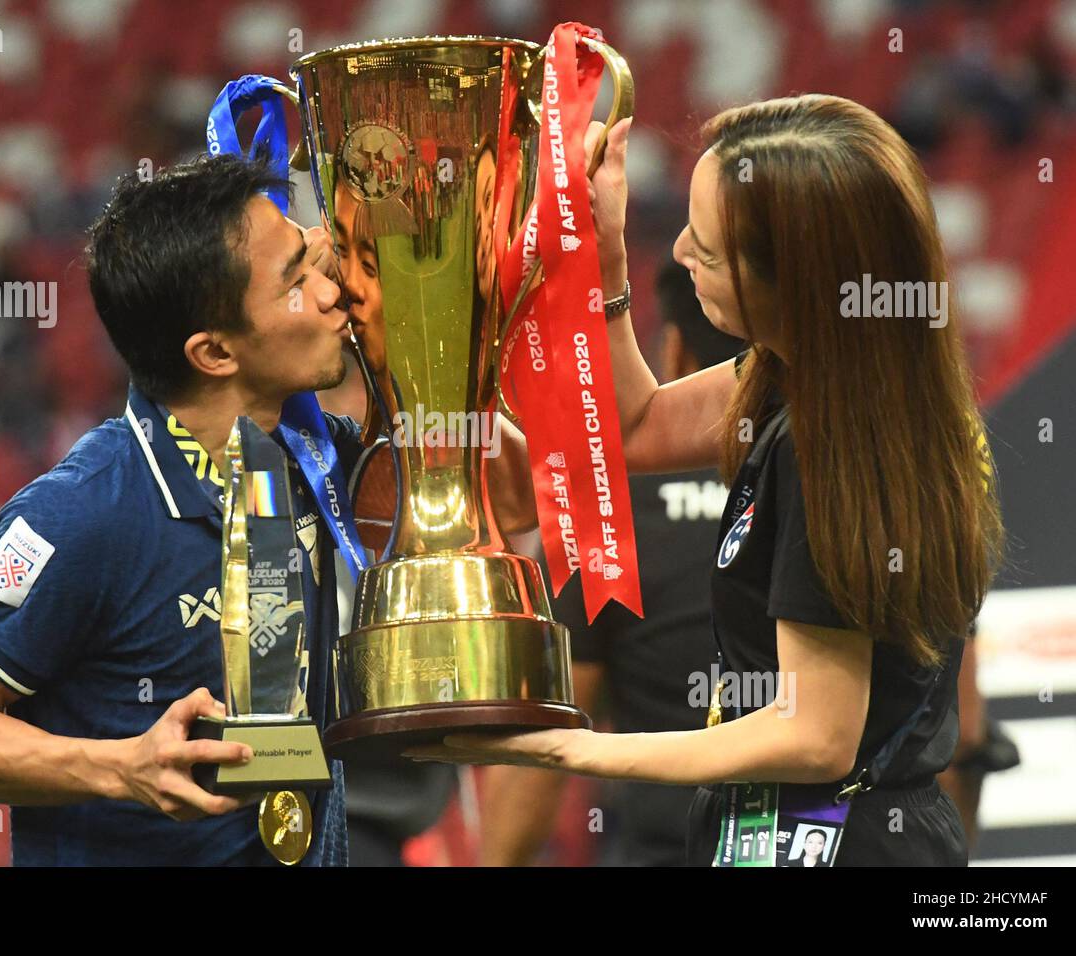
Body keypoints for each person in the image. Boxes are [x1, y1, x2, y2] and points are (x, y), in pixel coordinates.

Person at [415, 95, 1004, 867]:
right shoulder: (818, 373)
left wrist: (566, 749)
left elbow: (812, 735)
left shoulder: (832, 446)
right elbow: (634, 428)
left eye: (711, 249)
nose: (684, 253)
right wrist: (609, 257)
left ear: (792, 281)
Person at [0, 154, 368, 865]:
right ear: (213, 352)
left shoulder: (318, 462)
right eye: (295, 281)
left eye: (311, 259)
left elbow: (506, 491)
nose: (329, 291)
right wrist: (119, 768)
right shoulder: (84, 513)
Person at [479, 262, 742, 867]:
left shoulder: (601, 510)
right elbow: (958, 732)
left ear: (672, 355)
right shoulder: (862, 487)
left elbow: (545, 734)